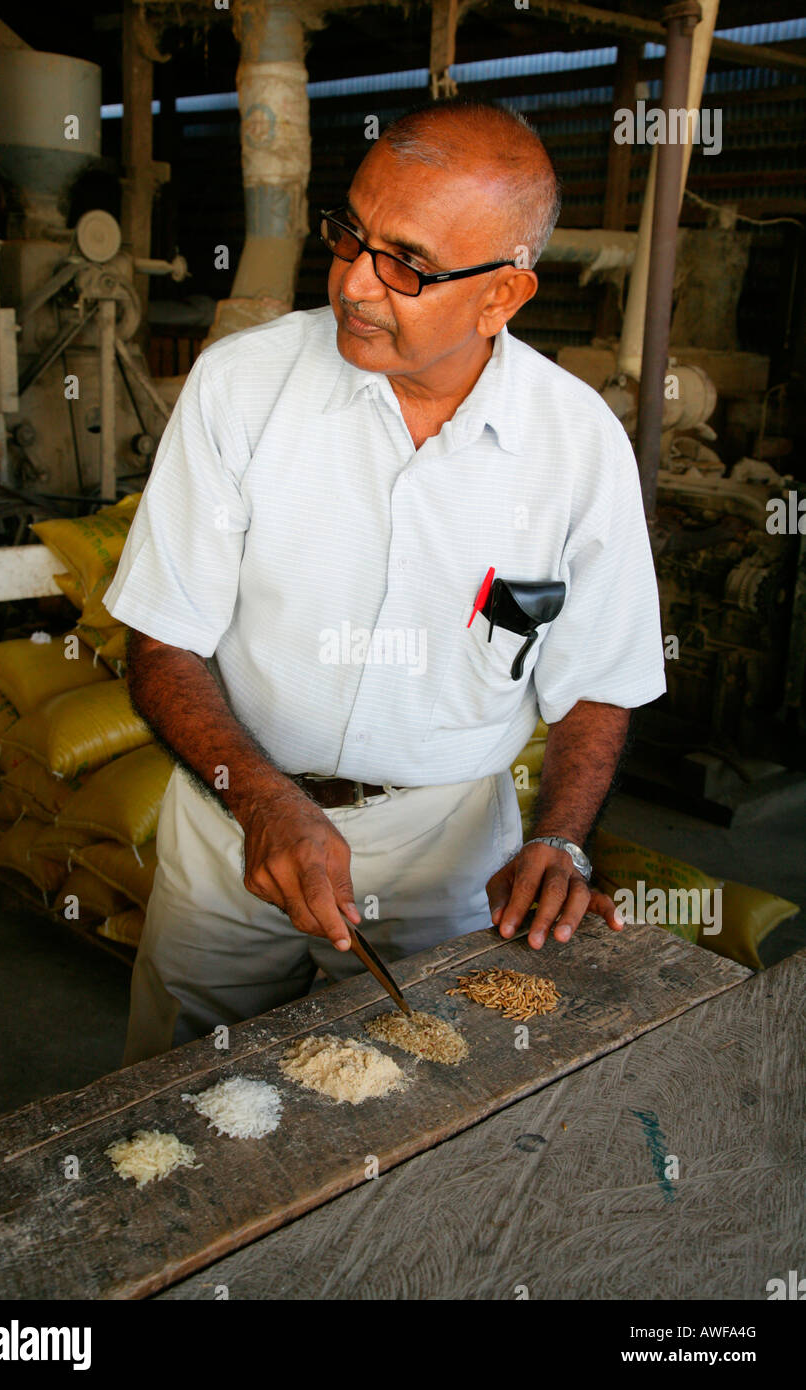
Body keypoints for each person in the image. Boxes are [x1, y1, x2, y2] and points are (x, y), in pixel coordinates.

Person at [104, 98, 666, 1065]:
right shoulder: (242, 389)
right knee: (180, 1099)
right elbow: (161, 644)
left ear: (504, 296)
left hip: (442, 857)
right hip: (232, 834)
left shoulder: (578, 449)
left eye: (405, 263)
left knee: (418, 1101)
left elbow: (599, 680)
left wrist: (564, 841)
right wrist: (267, 803)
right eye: (348, 235)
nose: (355, 283)